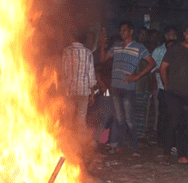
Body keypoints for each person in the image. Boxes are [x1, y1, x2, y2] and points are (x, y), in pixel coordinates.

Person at [99, 20, 155, 152]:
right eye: (121, 30)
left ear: (131, 31)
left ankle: (135, 147)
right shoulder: (116, 46)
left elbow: (152, 63)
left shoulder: (139, 47)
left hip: (128, 88)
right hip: (115, 86)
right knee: (119, 119)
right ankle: (120, 145)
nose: (122, 32)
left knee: (129, 120)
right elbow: (102, 59)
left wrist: (137, 76)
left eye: (125, 30)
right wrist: (102, 46)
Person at [160, 24, 188, 164]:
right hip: (173, 92)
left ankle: (182, 155)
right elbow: (163, 67)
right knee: (172, 122)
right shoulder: (175, 48)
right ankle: (167, 153)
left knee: (185, 126)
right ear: (184, 34)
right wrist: (166, 84)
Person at [61, 32, 96, 131]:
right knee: (81, 118)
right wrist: (92, 94)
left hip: (69, 91)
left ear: (73, 37)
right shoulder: (88, 53)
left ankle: (66, 141)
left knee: (67, 118)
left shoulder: (66, 51)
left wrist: (62, 91)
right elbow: (91, 75)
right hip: (83, 91)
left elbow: (64, 73)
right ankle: (80, 143)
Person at [151, 26, 177, 145]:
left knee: (172, 113)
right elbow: (151, 68)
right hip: (160, 86)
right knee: (160, 113)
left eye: (175, 35)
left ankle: (170, 138)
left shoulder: (178, 50)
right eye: (171, 35)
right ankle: (159, 137)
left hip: (175, 88)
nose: (173, 37)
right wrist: (164, 70)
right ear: (166, 36)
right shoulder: (158, 50)